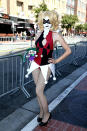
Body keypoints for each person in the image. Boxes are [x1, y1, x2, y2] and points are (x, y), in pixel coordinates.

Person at [26, 10, 71, 126]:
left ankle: (47, 114)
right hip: (35, 64)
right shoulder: (38, 33)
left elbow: (68, 50)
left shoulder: (56, 35)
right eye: (44, 20)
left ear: (53, 21)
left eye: (49, 20)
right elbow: (35, 49)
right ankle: (41, 112)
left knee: (38, 90)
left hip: (47, 64)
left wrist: (56, 60)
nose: (46, 22)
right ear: (42, 21)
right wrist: (30, 58)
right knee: (38, 91)